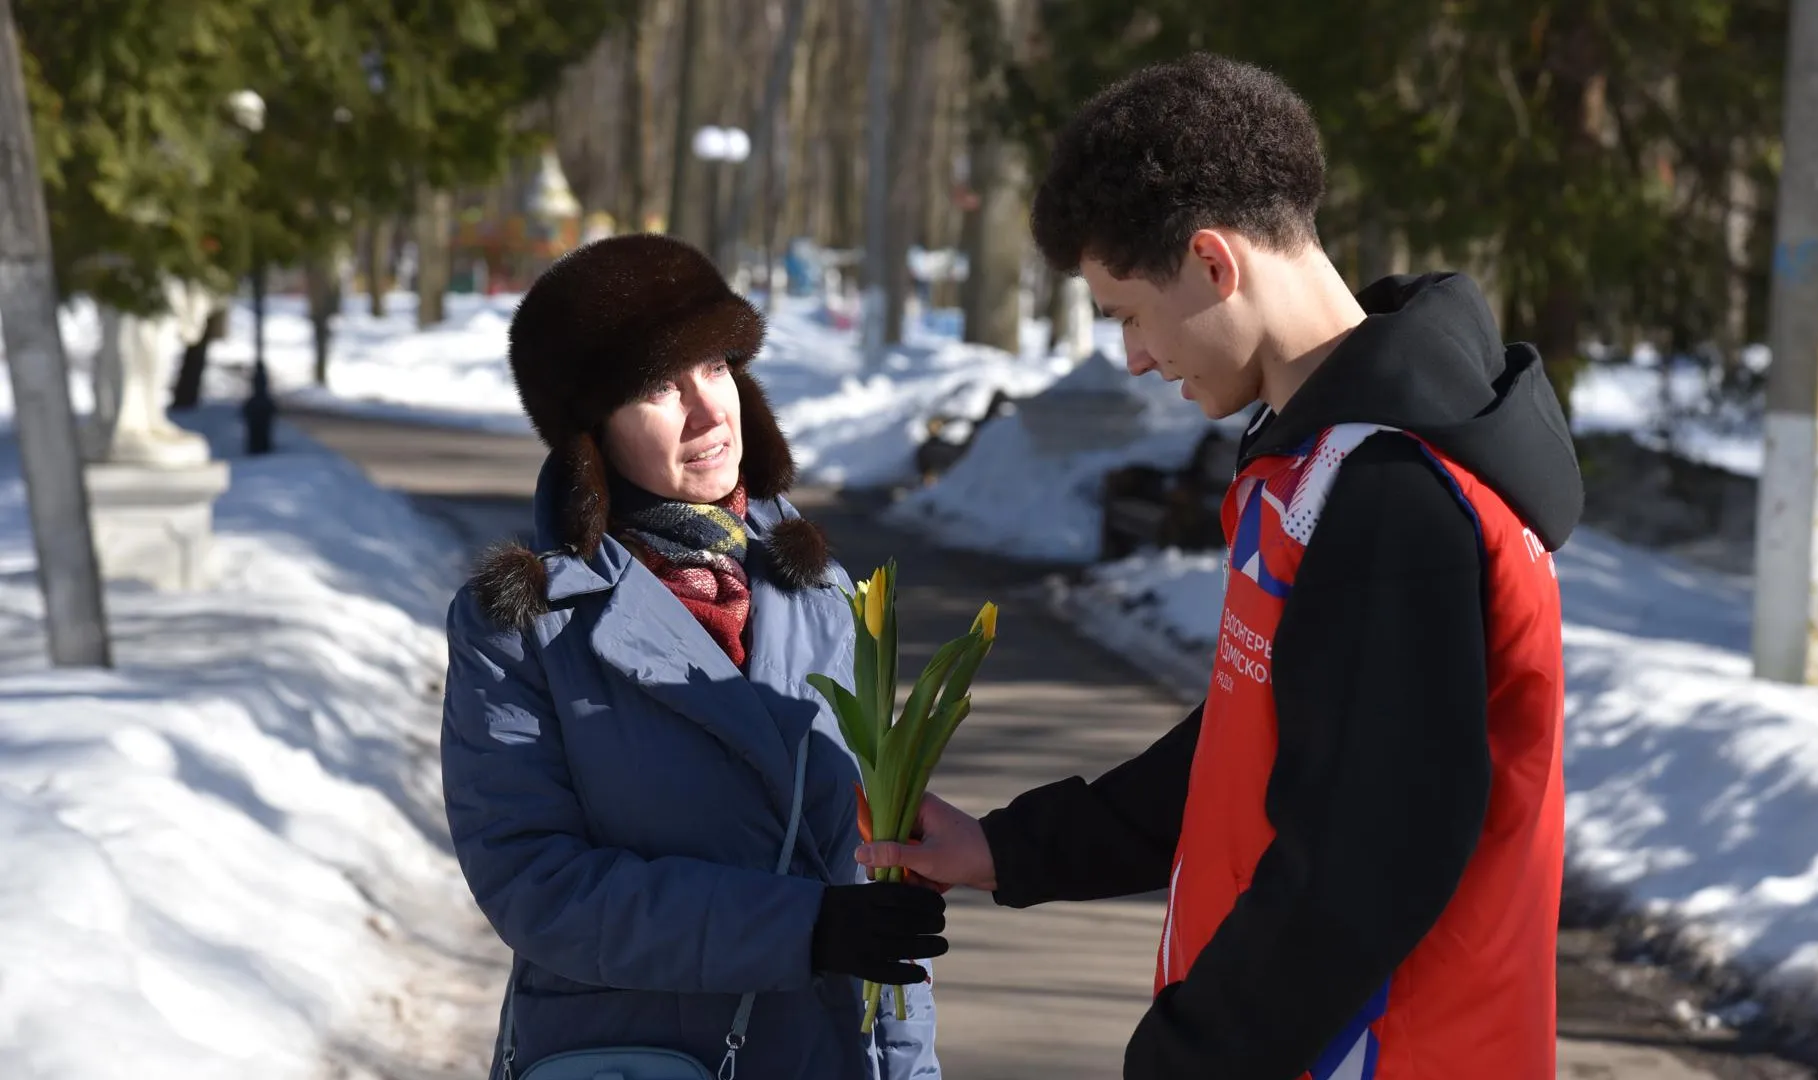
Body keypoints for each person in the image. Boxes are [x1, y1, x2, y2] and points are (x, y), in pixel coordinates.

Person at [857, 52, 1583, 1079]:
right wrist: (1012, 850)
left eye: (1128, 313)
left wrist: (1190, 1056)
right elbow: (1263, 738)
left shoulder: (1390, 493)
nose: (1136, 357)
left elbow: (1370, 856)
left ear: (1212, 261)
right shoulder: (1317, 452)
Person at [440, 234, 945, 1080]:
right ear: (590, 434)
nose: (709, 413)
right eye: (657, 388)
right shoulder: (523, 627)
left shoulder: (823, 595)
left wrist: (909, 1066)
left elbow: (879, 873)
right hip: (632, 1058)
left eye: (715, 367)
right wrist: (800, 929)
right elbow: (539, 886)